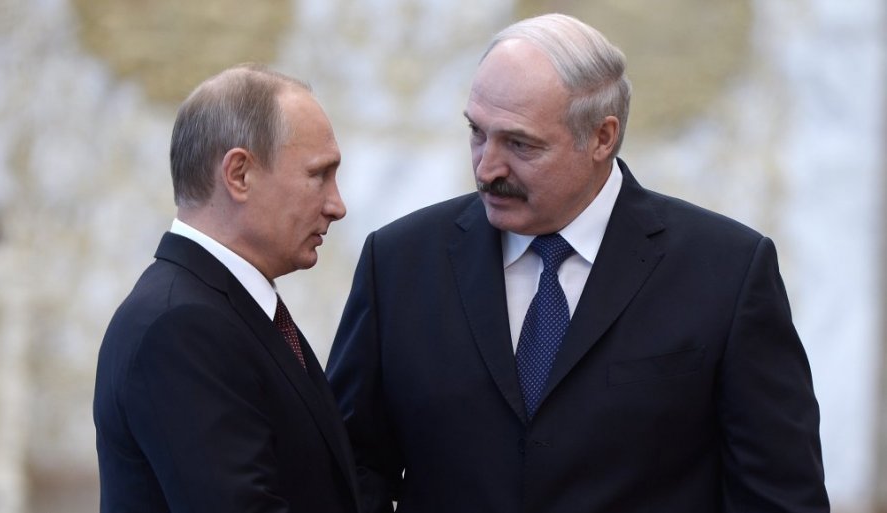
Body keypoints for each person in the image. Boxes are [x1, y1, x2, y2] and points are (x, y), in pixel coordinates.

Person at [326, 13, 829, 513]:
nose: (487, 167)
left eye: (520, 144)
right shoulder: (398, 264)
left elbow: (780, 497)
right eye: (477, 132)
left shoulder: (727, 273)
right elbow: (348, 472)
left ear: (602, 137)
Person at [94, 64, 358, 512]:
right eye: (319, 175)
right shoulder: (181, 327)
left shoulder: (221, 308)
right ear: (239, 174)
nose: (337, 205)